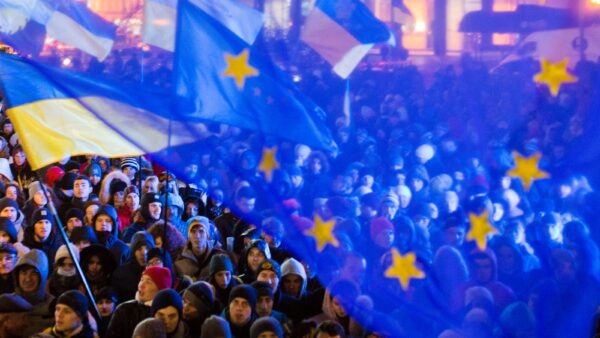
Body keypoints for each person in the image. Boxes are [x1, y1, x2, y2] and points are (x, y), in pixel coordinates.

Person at [105, 266, 171, 338]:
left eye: (148, 282)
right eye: (141, 280)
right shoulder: (124, 310)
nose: (141, 285)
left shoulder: (167, 313)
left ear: (160, 289)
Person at [12, 249, 54, 336]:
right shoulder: (7, 303)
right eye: (24, 272)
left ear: (42, 276)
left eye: (34, 273)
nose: (28, 279)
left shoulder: (54, 306)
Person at [175, 216, 224, 280]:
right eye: (193, 231)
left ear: (207, 235)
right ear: (188, 235)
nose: (197, 236)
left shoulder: (219, 256)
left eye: (201, 231)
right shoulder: (179, 258)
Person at [111, 231, 155, 301]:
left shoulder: (158, 274)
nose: (144, 253)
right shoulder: (120, 274)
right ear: (133, 251)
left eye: (147, 248)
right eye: (139, 249)